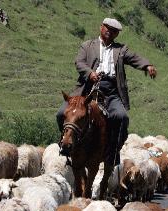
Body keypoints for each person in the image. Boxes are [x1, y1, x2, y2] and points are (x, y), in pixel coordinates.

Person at [56, 17, 157, 166]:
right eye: (107, 28)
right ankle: (66, 144)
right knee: (61, 113)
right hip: (87, 89)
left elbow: (135, 58)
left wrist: (147, 66)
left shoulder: (121, 50)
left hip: (111, 91)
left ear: (117, 34)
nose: (110, 31)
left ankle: (113, 152)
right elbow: (79, 62)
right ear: (101, 27)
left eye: (114, 30)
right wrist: (90, 73)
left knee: (121, 117)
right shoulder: (87, 46)